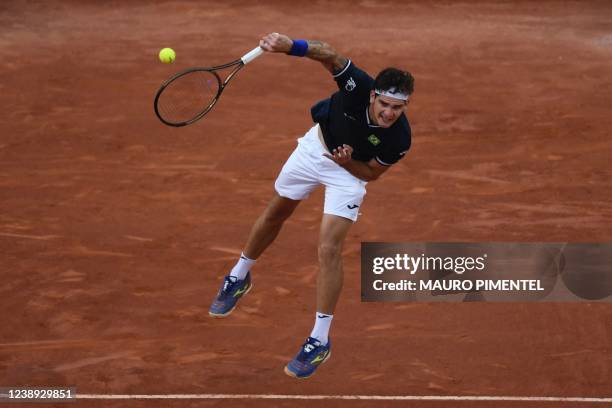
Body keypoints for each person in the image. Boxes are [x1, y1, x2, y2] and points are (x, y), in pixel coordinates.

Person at [209, 32, 414, 379]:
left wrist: (348, 163)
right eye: (385, 105)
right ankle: (238, 276)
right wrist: (292, 46)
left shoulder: (399, 138)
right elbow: (329, 54)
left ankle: (319, 340)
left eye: (398, 108)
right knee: (277, 211)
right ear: (373, 95)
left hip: (348, 174)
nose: (389, 113)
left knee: (329, 248)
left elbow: (372, 173)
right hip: (314, 149)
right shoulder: (356, 85)